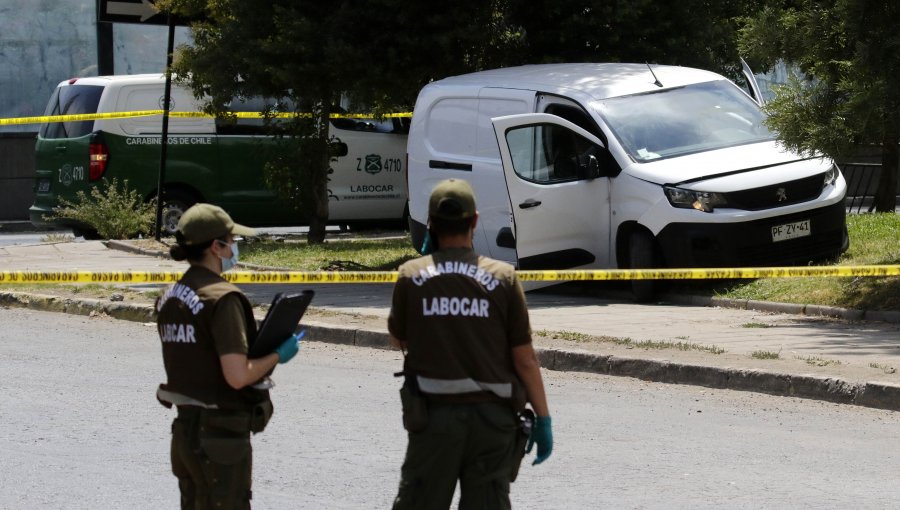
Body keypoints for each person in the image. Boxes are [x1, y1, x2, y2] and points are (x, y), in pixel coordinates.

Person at [388, 179, 553, 509]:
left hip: (434, 420)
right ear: (474, 221)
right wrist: (544, 419)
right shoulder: (503, 277)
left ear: (431, 224)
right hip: (492, 423)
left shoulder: (412, 275)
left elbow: (399, 338)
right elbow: (524, 359)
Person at [155, 203, 302, 509]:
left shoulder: (169, 297)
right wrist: (277, 354)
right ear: (216, 247)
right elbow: (237, 375)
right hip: (219, 435)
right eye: (232, 241)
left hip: (185, 431)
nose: (235, 248)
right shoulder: (223, 298)